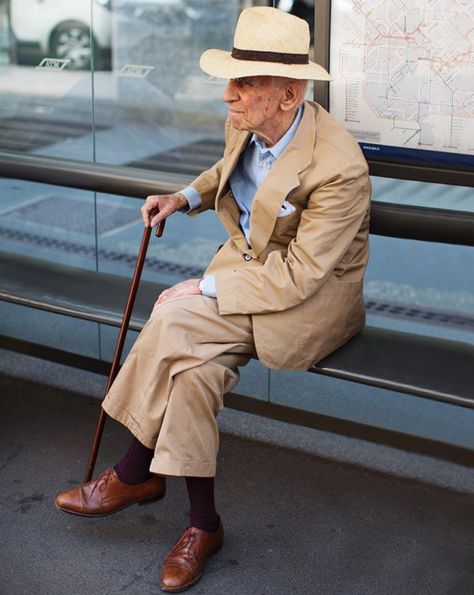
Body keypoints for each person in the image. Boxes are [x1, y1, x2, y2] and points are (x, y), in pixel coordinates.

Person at [55, 6, 371, 593]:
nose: (228, 94)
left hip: (307, 301)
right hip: (249, 277)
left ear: (288, 92)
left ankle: (133, 472)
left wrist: (205, 287)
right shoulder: (248, 120)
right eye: (232, 79)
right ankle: (203, 524)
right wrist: (182, 197)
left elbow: (302, 275)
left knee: (173, 315)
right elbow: (227, 169)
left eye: (244, 82)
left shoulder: (339, 167)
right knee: (193, 375)